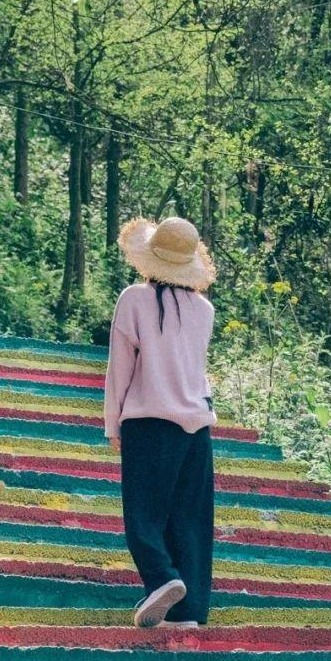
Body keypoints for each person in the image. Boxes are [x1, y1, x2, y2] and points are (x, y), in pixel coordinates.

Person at [104, 216, 218, 628]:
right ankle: (188, 611)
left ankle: (163, 578)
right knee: (190, 519)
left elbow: (121, 368)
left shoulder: (134, 299)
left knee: (143, 516)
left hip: (149, 421)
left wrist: (113, 424)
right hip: (197, 426)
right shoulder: (204, 310)